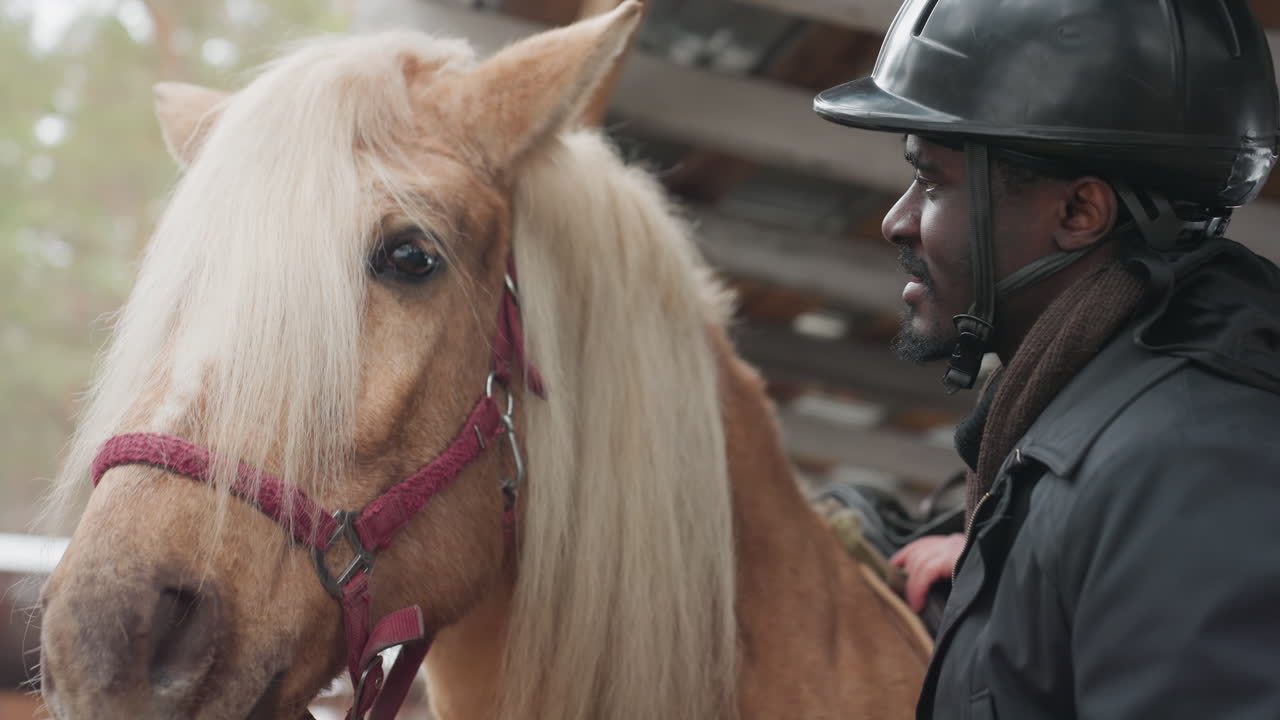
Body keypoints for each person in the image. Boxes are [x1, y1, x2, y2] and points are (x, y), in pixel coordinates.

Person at [813, 1, 1280, 718]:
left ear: (1078, 214)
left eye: (933, 182)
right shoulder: (1093, 454)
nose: (896, 219)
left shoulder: (1187, 463)